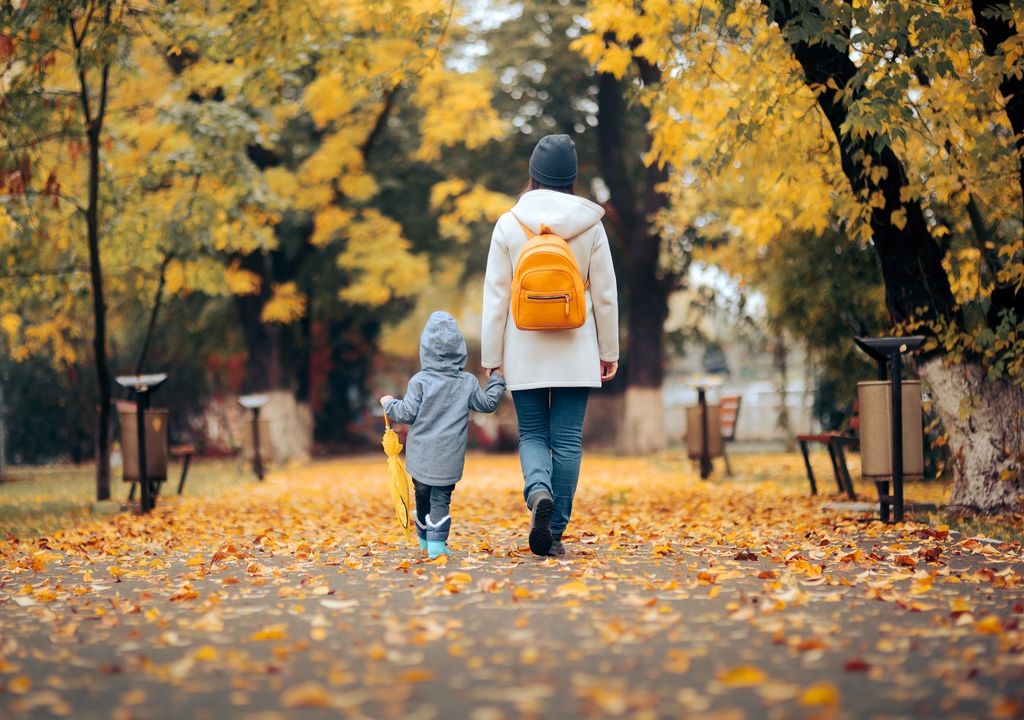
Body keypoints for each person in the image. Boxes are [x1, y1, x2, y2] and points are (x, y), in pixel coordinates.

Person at [481, 134, 619, 557]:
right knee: (568, 440)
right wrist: (608, 351)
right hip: (576, 347)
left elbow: (496, 297)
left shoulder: (509, 223)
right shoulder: (590, 224)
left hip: (524, 349)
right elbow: (606, 295)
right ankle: (555, 530)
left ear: (533, 175)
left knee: (534, 435)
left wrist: (492, 359)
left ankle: (538, 492)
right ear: (572, 178)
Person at [380, 311, 506, 559]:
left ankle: (424, 541)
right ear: (459, 349)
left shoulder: (420, 381)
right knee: (441, 500)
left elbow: (406, 412)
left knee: (422, 496)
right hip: (449, 458)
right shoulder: (467, 382)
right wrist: (497, 379)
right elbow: (488, 404)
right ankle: (437, 545)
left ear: (425, 349)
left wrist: (389, 403)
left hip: (420, 458)